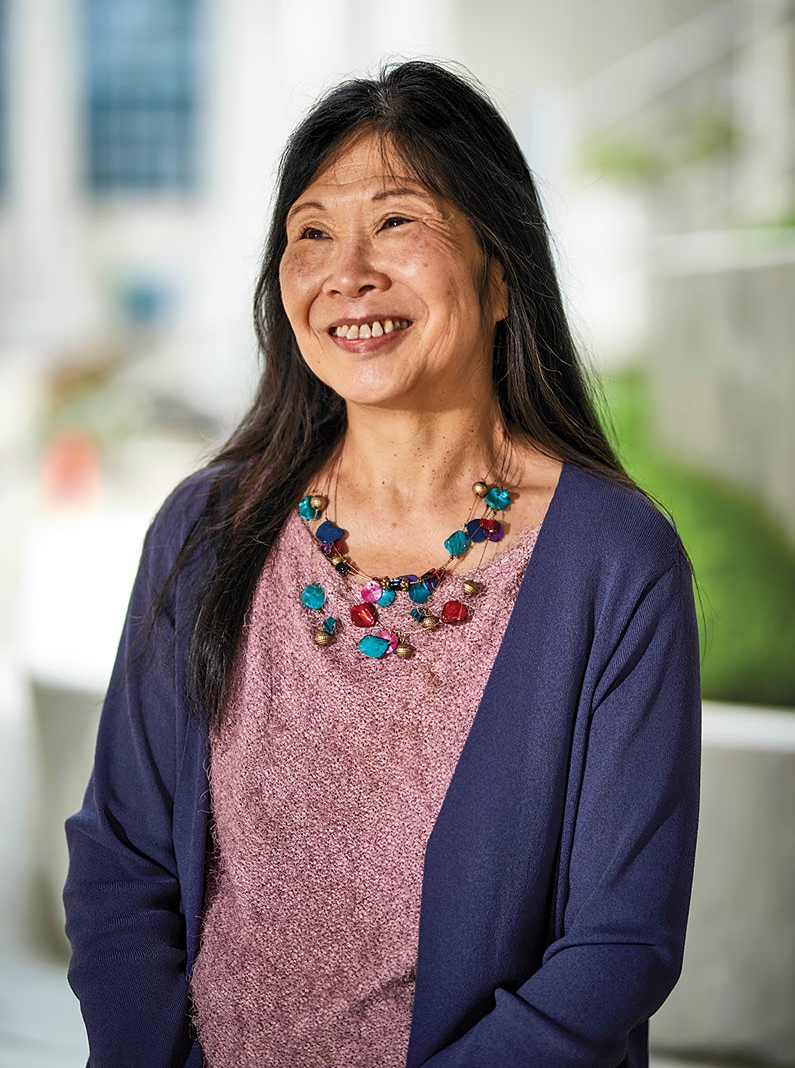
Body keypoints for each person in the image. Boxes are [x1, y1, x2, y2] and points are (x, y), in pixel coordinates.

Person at [63, 60, 701, 1068]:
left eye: (397, 223)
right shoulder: (204, 529)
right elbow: (121, 860)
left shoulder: (613, 560)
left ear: (501, 274)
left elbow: (617, 944)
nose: (345, 273)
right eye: (310, 233)